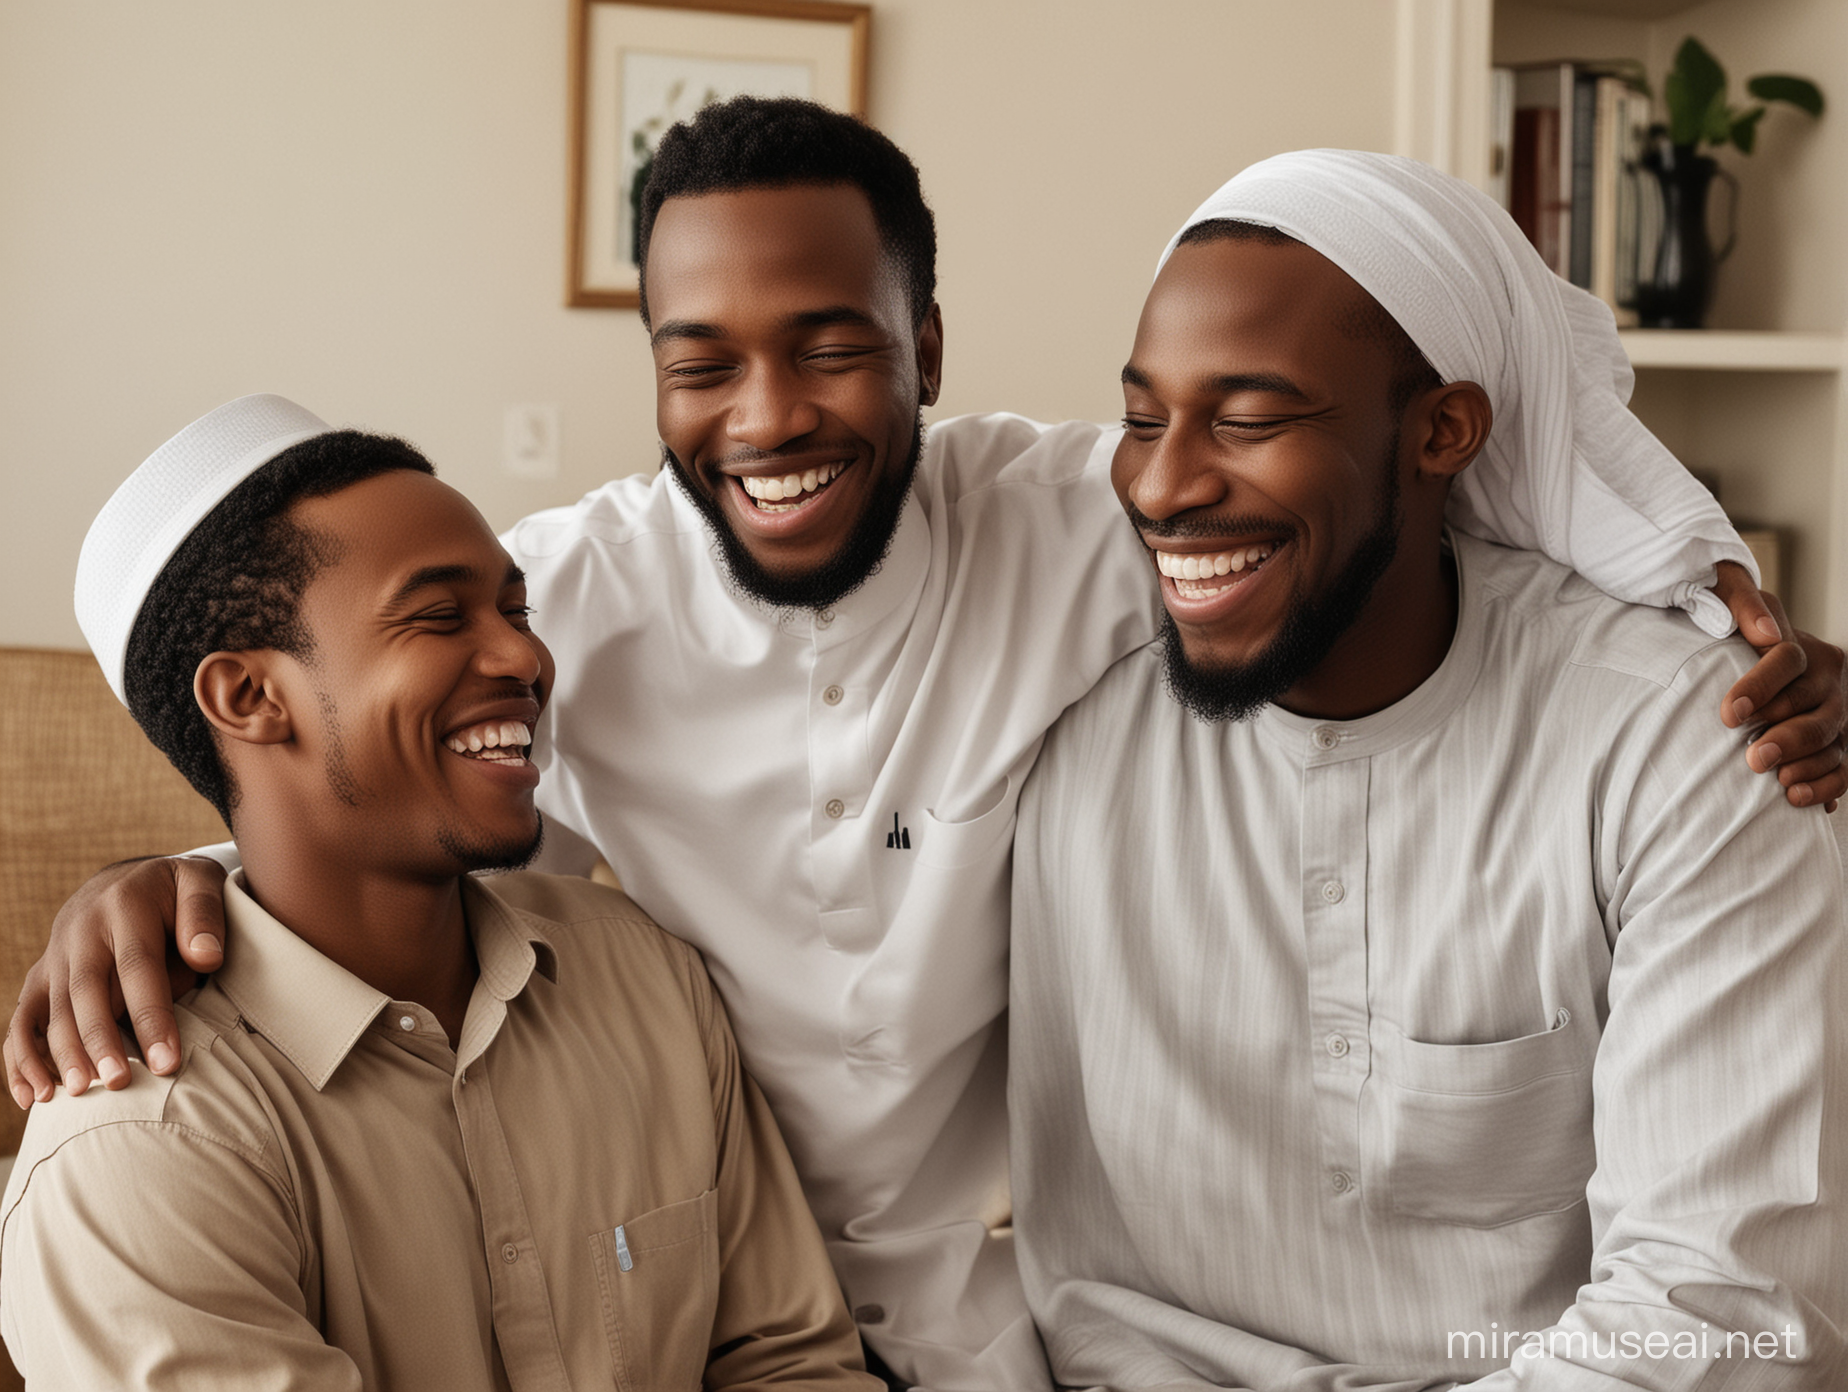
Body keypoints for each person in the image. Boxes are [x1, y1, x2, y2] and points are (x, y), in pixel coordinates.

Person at [8, 103, 1847, 1391]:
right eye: (699, 360)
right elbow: (342, 753)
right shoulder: (558, 603)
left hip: (984, 1345)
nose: (765, 415)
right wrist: (178, 885)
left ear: (927, 346)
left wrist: (1735, 630)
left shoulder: (1095, 534)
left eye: (829, 347)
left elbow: (1433, 516)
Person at [1009, 150, 1848, 1390]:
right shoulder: (1048, 708)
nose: (1166, 482)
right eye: (1142, 418)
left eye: (1249, 418)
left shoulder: (1679, 744)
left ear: (1444, 431)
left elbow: (1723, 1316)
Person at [0, 398, 879, 1390]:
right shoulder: (140, 1147)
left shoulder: (641, 974)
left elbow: (792, 1364)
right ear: (249, 698)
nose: (526, 659)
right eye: (435, 615)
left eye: (515, 610)